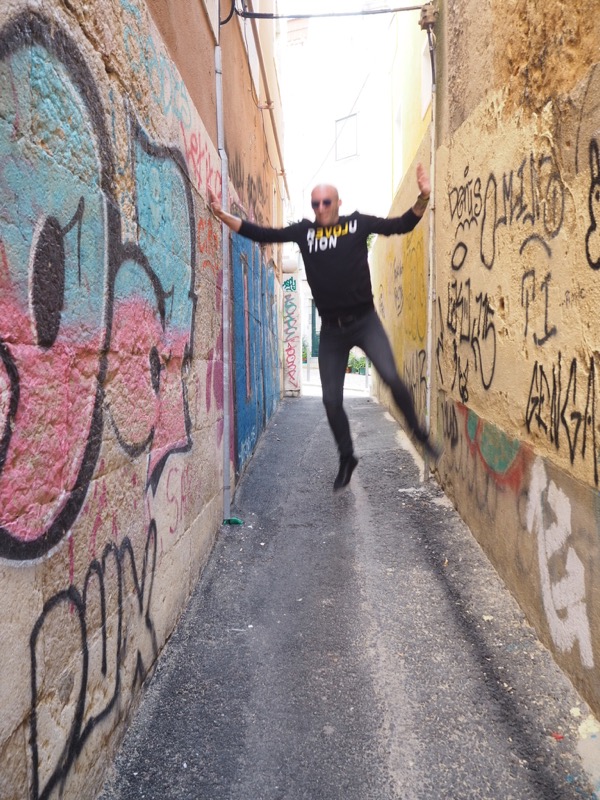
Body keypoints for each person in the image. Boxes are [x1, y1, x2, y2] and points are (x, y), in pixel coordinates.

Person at [207, 164, 440, 491]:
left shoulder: (357, 224)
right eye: (315, 204)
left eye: (326, 202)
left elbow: (401, 224)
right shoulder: (305, 232)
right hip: (332, 330)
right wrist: (223, 216)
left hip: (365, 321)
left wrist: (423, 197)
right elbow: (263, 233)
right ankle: (347, 457)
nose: (320, 208)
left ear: (338, 203)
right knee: (331, 400)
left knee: (391, 376)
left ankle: (419, 432)